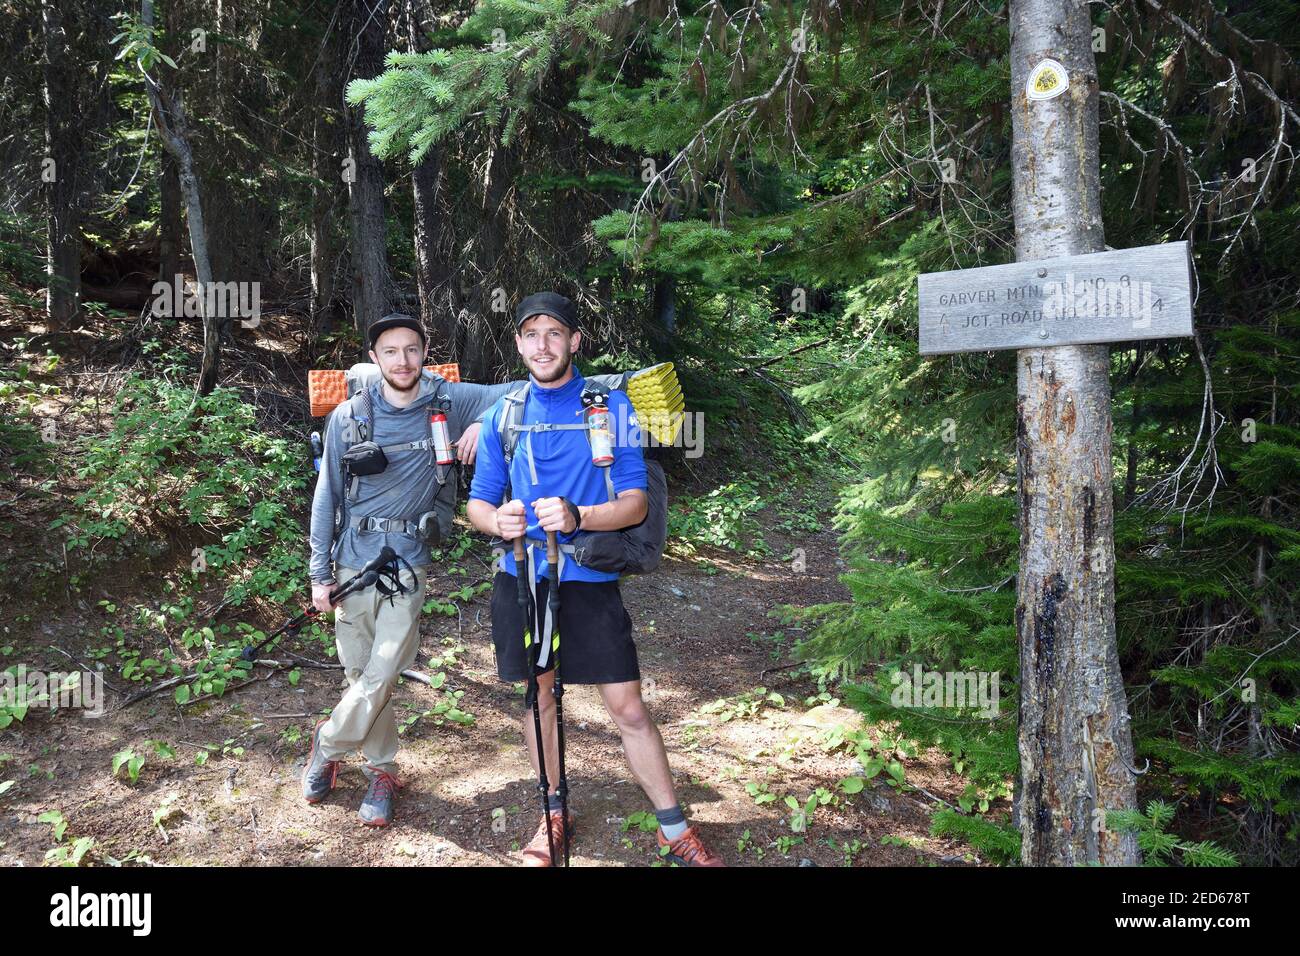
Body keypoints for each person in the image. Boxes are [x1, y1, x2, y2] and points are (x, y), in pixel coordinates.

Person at [467, 292, 724, 866]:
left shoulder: (608, 408)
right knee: (538, 700)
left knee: (627, 706)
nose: (543, 345)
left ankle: (672, 825)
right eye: (531, 334)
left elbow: (633, 505)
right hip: (521, 579)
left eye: (555, 333)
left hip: (585, 577)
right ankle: (552, 812)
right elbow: (478, 504)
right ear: (517, 344)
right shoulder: (501, 416)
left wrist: (580, 517)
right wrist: (496, 519)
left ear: (576, 341)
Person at [301, 313, 521, 826]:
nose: (403, 360)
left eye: (412, 350)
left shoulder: (452, 401)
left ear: (425, 352)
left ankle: (327, 746)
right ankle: (382, 768)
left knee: (381, 671)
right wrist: (318, 575)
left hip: (407, 560)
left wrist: (485, 422)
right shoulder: (349, 415)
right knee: (360, 672)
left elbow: (524, 391)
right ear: (375, 358)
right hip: (352, 558)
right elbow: (327, 495)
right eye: (391, 351)